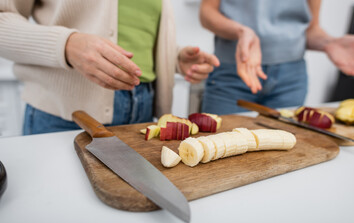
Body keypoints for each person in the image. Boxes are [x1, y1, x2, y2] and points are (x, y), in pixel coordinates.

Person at [0, 0, 219, 135]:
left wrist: (174, 58)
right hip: (65, 114)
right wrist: (66, 44)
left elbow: (136, 34)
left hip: (143, 112)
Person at [200, 0, 354, 115]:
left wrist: (331, 43)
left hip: (290, 79)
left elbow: (311, 30)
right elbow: (207, 12)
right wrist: (241, 31)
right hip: (233, 72)